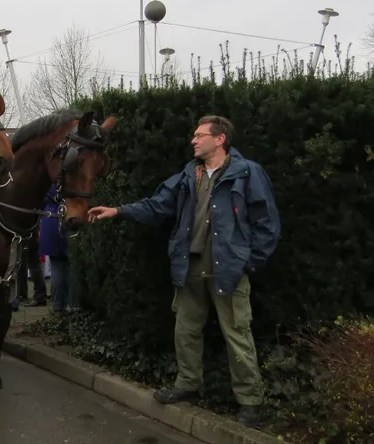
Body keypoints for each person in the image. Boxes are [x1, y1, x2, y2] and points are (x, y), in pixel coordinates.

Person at [87, 115, 280, 428]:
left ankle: (250, 402)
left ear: (220, 139)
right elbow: (157, 205)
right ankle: (188, 384)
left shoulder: (247, 172)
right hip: (189, 267)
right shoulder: (190, 174)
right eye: (194, 135)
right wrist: (118, 211)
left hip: (228, 270)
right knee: (186, 330)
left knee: (237, 334)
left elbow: (267, 223)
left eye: (200, 135)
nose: (193, 140)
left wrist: (248, 262)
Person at [39, 184, 70, 313]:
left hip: (50, 218)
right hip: (67, 216)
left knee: (56, 267)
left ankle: (58, 304)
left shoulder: (48, 182)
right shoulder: (69, 179)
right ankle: (70, 303)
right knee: (68, 267)